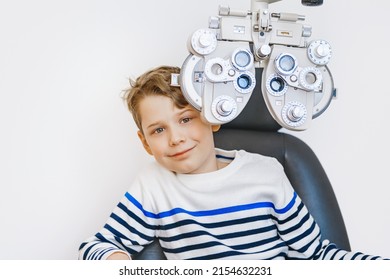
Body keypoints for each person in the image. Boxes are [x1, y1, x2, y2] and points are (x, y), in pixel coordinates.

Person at [78, 65, 385, 260]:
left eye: (186, 119)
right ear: (145, 142)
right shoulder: (153, 184)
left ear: (214, 117)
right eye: (158, 130)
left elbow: (317, 253)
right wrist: (115, 260)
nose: (175, 138)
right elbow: (95, 246)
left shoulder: (266, 172)